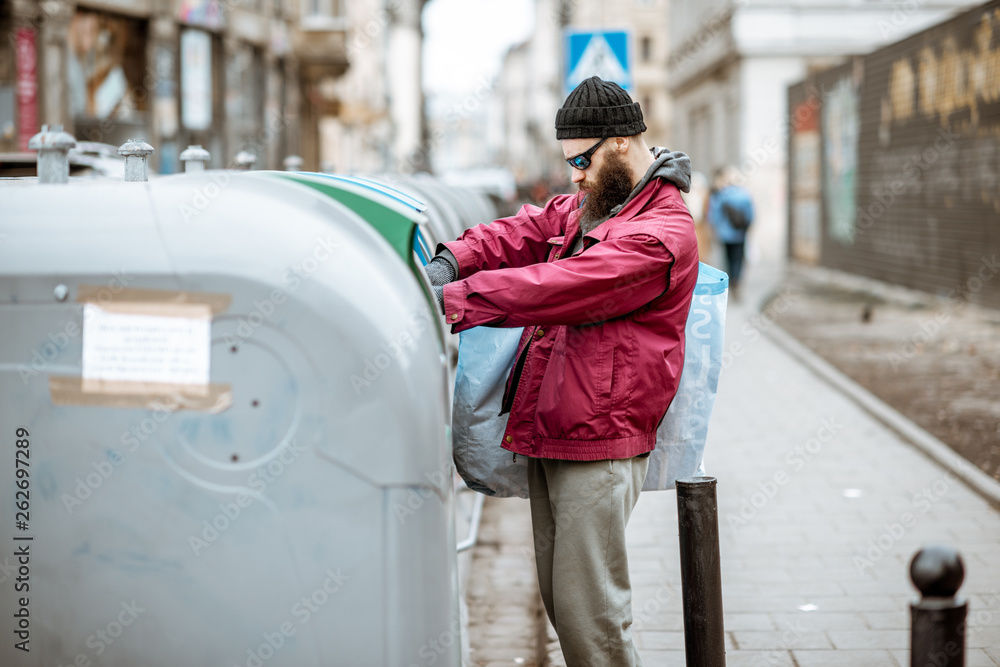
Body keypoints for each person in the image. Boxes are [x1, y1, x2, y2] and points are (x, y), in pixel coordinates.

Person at [422, 76, 698, 667]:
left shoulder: (661, 232)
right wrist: (451, 262)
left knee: (589, 614)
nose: (574, 174)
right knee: (562, 601)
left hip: (599, 437)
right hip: (556, 428)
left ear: (620, 143)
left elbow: (565, 286)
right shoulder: (596, 205)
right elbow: (523, 229)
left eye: (582, 159)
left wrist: (457, 301)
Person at [707, 166, 754, 301]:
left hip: (725, 234)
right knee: (738, 258)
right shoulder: (745, 194)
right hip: (740, 234)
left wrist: (715, 229)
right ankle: (737, 281)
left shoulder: (721, 195)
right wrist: (747, 228)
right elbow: (751, 215)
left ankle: (728, 282)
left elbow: (713, 215)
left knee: (727, 258)